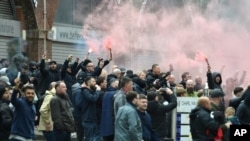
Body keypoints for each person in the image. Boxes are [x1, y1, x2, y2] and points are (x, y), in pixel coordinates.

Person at [76, 76, 100, 141]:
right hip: (87, 118)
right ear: (88, 83)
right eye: (93, 81)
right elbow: (93, 98)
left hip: (93, 118)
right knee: (89, 138)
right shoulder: (85, 91)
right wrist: (97, 91)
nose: (95, 83)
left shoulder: (92, 91)